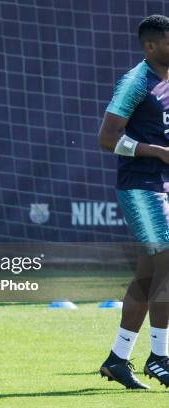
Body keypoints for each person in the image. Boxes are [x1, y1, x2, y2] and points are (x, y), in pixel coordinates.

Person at [97, 15, 169, 389]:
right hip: (141, 186)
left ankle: (117, 359)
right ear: (151, 46)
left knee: (148, 276)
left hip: (163, 185)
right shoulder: (135, 81)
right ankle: (159, 357)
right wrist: (156, 151)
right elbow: (107, 139)